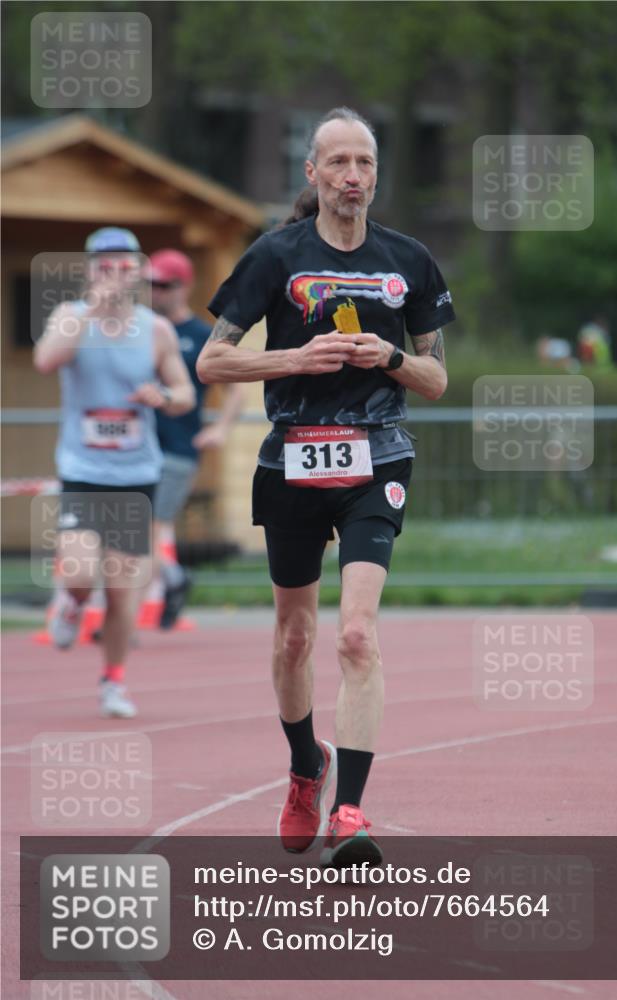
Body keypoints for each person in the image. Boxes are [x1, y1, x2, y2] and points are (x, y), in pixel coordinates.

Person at [197, 107, 454, 867]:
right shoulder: (275, 256)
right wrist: (294, 360)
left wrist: (392, 359)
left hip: (377, 459)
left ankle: (349, 810)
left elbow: (437, 377)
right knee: (294, 637)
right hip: (293, 464)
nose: (351, 177)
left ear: (377, 175)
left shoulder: (409, 259)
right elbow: (212, 362)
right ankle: (305, 766)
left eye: (363, 164)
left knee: (355, 634)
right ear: (311, 173)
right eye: (336, 163)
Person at [34, 227, 195, 718]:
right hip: (84, 470)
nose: (114, 274)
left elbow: (185, 394)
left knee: (124, 593)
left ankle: (113, 681)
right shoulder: (69, 317)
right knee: (82, 573)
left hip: (135, 473)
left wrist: (162, 398)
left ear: (138, 273)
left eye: (124, 266)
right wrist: (94, 310)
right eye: (104, 265)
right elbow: (46, 361)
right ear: (90, 270)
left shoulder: (156, 330)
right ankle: (71, 604)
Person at [147, 249, 244, 628]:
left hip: (177, 449)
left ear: (183, 286)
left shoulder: (201, 336)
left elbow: (234, 389)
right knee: (133, 531)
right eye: (150, 284)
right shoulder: (143, 331)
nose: (155, 292)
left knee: (146, 529)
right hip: (138, 449)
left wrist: (220, 428)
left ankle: (167, 583)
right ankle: (168, 581)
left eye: (163, 285)